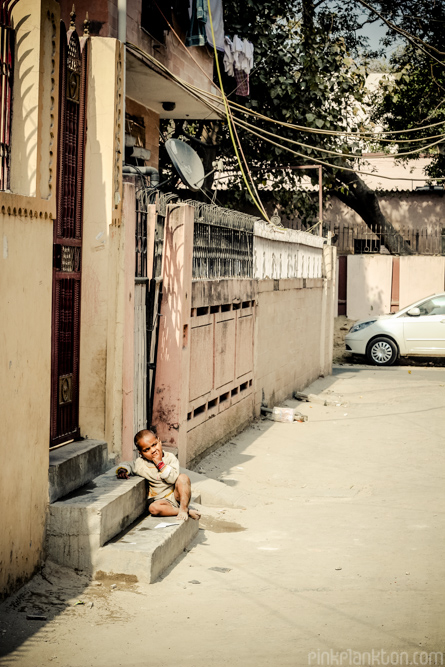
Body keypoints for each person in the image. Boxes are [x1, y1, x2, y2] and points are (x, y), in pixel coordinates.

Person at [116, 429, 200, 522]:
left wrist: (160, 463)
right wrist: (123, 470)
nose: (153, 450)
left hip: (177, 494)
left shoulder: (169, 458)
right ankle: (186, 512)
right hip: (163, 502)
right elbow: (129, 465)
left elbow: (172, 479)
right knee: (153, 508)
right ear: (141, 453)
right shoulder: (141, 464)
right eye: (147, 449)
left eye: (154, 445)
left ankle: (183, 508)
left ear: (159, 441)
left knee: (183, 478)